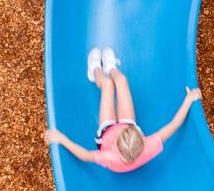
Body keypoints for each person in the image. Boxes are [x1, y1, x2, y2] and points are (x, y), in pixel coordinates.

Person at [43, 46, 201, 174]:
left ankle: (95, 70)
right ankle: (110, 67)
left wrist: (61, 138)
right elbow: (174, 125)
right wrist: (188, 100)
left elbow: (84, 155)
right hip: (127, 124)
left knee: (107, 85)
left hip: (107, 131)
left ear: (117, 144)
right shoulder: (148, 147)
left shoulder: (109, 156)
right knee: (121, 80)